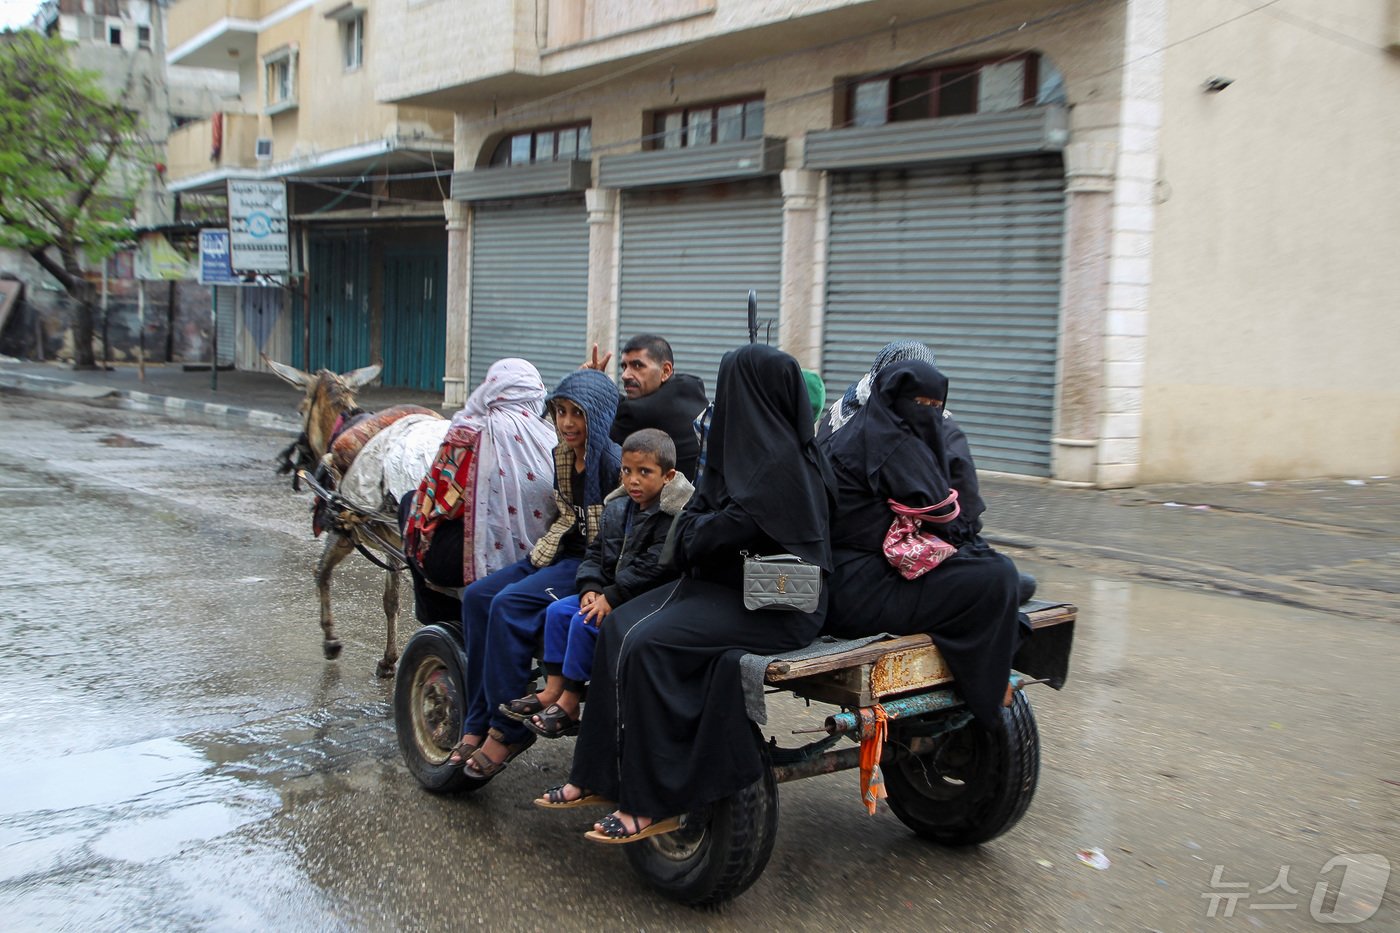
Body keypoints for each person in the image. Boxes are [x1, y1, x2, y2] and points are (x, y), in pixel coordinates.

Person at [540, 344, 834, 843]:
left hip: (783, 599)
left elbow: (706, 531)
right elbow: (700, 526)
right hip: (731, 585)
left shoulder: (782, 462)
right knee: (616, 624)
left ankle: (653, 801)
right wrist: (704, 531)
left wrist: (704, 531)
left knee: (651, 643)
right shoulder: (737, 450)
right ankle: (598, 774)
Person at [820, 359, 1022, 727]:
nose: (928, 414)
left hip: (850, 582)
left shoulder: (864, 432)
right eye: (919, 404)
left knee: (989, 571)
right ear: (890, 399)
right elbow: (950, 518)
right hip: (862, 590)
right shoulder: (891, 445)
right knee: (998, 576)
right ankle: (987, 696)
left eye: (934, 407)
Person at [451, 368, 622, 778]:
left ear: (596, 417)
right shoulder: (561, 454)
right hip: (562, 550)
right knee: (476, 598)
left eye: (576, 413)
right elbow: (567, 516)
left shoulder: (613, 465)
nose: (565, 422)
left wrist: (598, 584)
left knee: (509, 606)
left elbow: (614, 545)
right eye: (560, 411)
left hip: (592, 564)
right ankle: (477, 719)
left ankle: (507, 730)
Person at [504, 428, 694, 748]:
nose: (633, 480)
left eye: (644, 472)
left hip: (646, 599)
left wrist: (612, 595)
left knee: (584, 620)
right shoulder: (617, 507)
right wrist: (590, 586)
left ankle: (571, 699)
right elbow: (594, 552)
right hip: (609, 592)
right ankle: (552, 688)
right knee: (558, 611)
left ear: (668, 475)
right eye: (627, 471)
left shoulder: (673, 515)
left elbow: (656, 567)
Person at [397, 359, 556, 622]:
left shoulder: (468, 431)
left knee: (411, 507)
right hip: (540, 560)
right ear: (536, 392)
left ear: (491, 387)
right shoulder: (551, 438)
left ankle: (435, 617)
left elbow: (439, 502)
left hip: (468, 565)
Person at [583, 334, 708, 481]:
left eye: (637, 366)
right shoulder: (690, 386)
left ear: (666, 371)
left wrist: (587, 387)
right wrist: (600, 383)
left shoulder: (636, 414)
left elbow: (591, 443)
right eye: (624, 366)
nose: (625, 375)